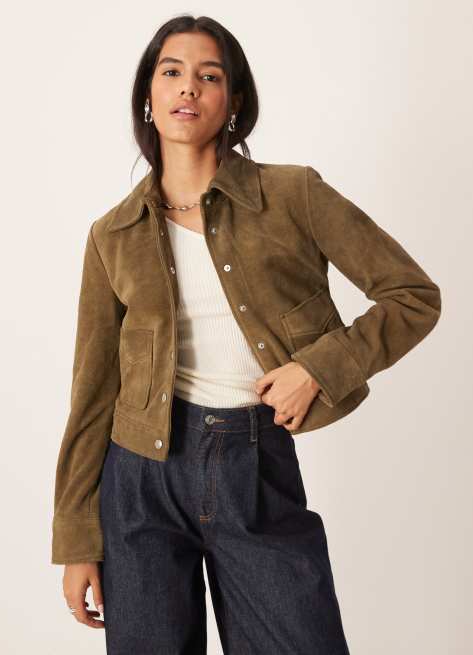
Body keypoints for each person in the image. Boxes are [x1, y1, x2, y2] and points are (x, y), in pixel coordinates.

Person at [51, 14, 441, 655]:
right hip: (139, 480)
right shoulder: (111, 234)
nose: (188, 87)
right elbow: (92, 393)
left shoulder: (293, 195)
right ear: (148, 95)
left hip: (253, 462)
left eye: (209, 76)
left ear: (233, 102)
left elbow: (413, 296)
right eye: (171, 72)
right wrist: (76, 539)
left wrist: (317, 368)